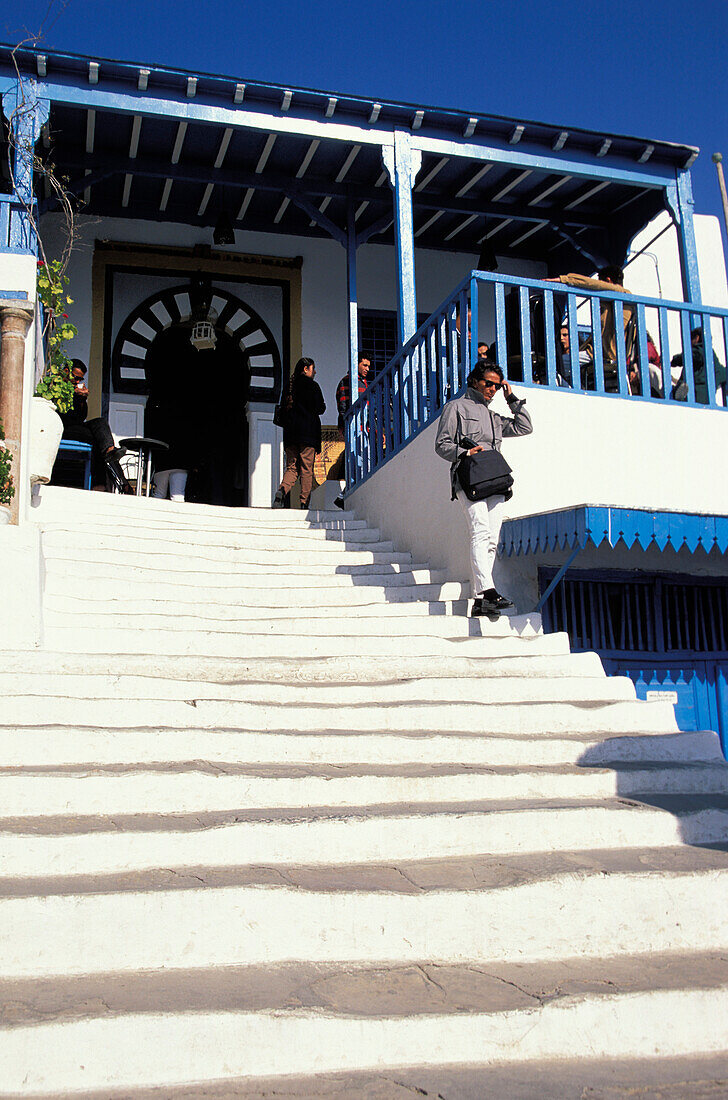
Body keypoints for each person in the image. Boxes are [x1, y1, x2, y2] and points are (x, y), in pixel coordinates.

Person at [435, 359, 532, 617]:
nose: (492, 389)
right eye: (488, 383)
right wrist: (465, 452)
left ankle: (482, 600)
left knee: (491, 539)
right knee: (479, 530)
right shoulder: (455, 407)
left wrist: (512, 399)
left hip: (494, 478)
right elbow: (442, 444)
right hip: (468, 477)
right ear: (475, 380)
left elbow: (524, 427)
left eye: (497, 386)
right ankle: (488, 591)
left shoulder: (494, 417)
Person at [549, 266, 635, 392]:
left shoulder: (622, 293)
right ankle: (572, 390)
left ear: (608, 281)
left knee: (554, 363)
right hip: (600, 353)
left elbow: (591, 283)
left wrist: (564, 279)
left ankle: (569, 392)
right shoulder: (620, 298)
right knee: (563, 365)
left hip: (602, 354)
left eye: (601, 281)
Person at [60, 360, 132, 493]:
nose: (77, 381)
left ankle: (110, 450)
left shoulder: (77, 390)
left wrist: (82, 399)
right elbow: (65, 416)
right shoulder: (57, 387)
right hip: (63, 425)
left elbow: (81, 417)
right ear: (66, 372)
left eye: (80, 379)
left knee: (100, 422)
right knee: (97, 440)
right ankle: (117, 482)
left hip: (77, 426)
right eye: (76, 377)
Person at [273, 357, 326, 509]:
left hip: (291, 434)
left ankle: (282, 491)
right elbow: (320, 408)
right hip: (308, 434)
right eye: (312, 368)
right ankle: (304, 503)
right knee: (306, 469)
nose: (314, 372)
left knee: (292, 467)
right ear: (305, 369)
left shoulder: (289, 387)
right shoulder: (313, 386)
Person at [333, 352, 371, 509]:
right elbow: (342, 407)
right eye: (365, 365)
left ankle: (344, 495)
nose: (367, 369)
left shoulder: (364, 383)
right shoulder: (347, 382)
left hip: (362, 427)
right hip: (353, 427)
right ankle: (346, 495)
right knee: (358, 460)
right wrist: (344, 426)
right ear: (357, 364)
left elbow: (368, 409)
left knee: (360, 461)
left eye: (369, 366)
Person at [671, 327, 726, 405]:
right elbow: (723, 374)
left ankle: (678, 393)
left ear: (697, 338)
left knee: (681, 387)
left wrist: (674, 361)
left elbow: (689, 356)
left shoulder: (699, 350)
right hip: (707, 400)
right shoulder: (715, 362)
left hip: (692, 395)